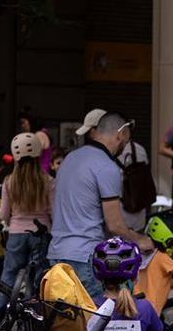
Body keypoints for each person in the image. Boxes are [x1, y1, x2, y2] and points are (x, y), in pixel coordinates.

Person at [51, 110, 143, 293]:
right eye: (125, 141)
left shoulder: (70, 159)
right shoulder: (107, 166)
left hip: (57, 253)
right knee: (95, 319)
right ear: (121, 134)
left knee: (66, 320)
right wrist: (140, 240)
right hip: (86, 256)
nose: (124, 146)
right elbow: (115, 225)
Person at [0, 131, 53, 297]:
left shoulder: (9, 181)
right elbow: (54, 212)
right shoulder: (48, 181)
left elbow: (3, 213)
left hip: (16, 234)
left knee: (8, 278)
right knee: (38, 279)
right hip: (41, 234)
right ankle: (34, 319)